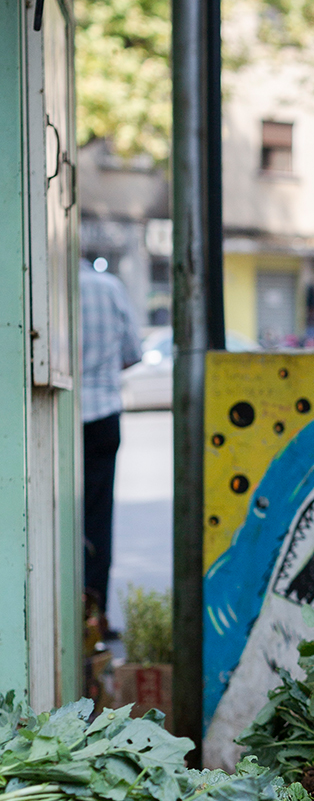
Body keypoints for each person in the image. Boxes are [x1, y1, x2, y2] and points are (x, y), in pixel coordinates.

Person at [80, 259, 142, 623]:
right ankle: (95, 614)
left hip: (59, 419)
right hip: (103, 414)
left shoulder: (44, 285)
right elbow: (133, 353)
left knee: (56, 515)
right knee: (98, 519)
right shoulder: (110, 287)